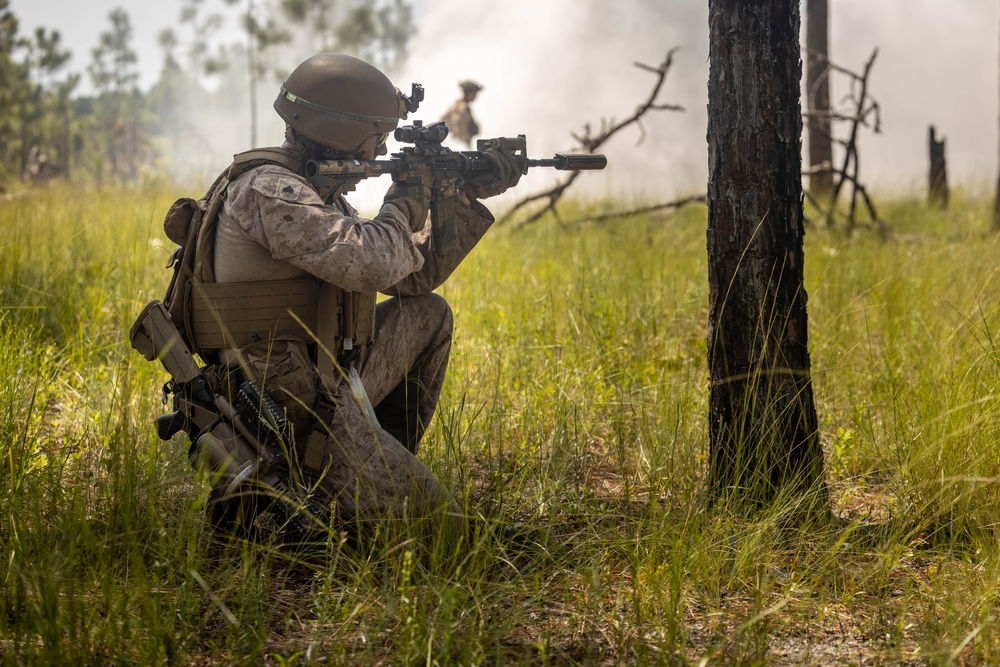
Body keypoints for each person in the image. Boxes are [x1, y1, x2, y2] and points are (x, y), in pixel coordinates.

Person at [169, 53, 521, 548]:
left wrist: (458, 199)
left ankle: (379, 461)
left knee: (427, 316)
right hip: (283, 403)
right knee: (443, 537)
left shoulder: (314, 192)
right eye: (375, 139)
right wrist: (405, 197)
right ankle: (338, 486)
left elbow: (410, 281)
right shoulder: (270, 191)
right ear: (339, 131)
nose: (379, 151)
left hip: (328, 376)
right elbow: (373, 262)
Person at [441, 80, 483, 148]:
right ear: (468, 93)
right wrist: (463, 144)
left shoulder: (458, 105)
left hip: (458, 144)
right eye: (474, 93)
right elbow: (457, 126)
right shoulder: (462, 107)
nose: (475, 96)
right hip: (460, 144)